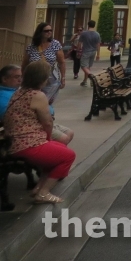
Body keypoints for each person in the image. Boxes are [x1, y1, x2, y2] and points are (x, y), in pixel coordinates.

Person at [2, 60, 76, 204]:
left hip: (15, 141)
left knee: (60, 149)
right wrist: (47, 139)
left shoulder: (20, 92)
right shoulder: (37, 95)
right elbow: (47, 122)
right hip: (26, 144)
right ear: (42, 78)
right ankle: (43, 193)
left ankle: (39, 187)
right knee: (68, 156)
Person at [23, 22, 65, 104]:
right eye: (46, 31)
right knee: (33, 101)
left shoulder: (55, 44)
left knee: (47, 102)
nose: (49, 32)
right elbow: (25, 64)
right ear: (40, 32)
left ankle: (47, 115)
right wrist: (23, 77)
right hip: (34, 79)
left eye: (50, 30)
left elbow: (62, 62)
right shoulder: (31, 47)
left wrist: (63, 78)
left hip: (50, 78)